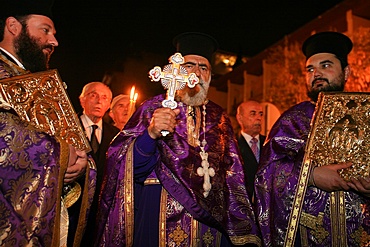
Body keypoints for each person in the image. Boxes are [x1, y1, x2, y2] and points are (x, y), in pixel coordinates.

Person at [95, 32, 261, 246]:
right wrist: (151, 134)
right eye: (190, 65)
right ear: (177, 70)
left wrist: (241, 229)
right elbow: (124, 168)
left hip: (209, 224)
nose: (197, 73)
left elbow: (233, 174)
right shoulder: (151, 108)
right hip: (159, 213)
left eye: (204, 68)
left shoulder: (219, 117)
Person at [254, 31, 370, 246]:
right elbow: (267, 173)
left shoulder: (366, 114)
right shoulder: (291, 120)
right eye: (310, 69)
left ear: (346, 72)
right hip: (310, 235)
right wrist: (311, 175)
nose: (316, 73)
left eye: (326, 66)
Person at [0, 1, 94, 246]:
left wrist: (82, 163)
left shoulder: (41, 81)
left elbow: (70, 137)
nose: (54, 41)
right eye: (45, 30)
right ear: (13, 26)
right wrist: (63, 152)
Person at [78, 81, 119, 246]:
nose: (99, 101)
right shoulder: (68, 126)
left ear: (109, 104)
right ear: (82, 100)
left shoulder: (116, 135)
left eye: (104, 98)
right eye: (93, 95)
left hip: (100, 210)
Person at [235, 100, 265, 199]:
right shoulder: (231, 145)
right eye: (253, 114)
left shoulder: (270, 144)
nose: (258, 118)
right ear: (240, 119)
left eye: (260, 114)